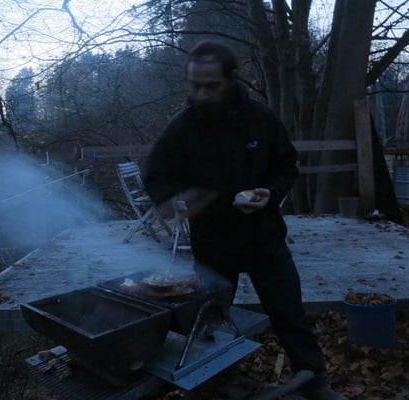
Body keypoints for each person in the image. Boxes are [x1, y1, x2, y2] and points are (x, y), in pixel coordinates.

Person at [144, 40, 346, 400]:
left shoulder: (260, 119)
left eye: (211, 85)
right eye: (194, 85)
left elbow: (286, 164)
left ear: (232, 79)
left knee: (289, 313)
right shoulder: (182, 128)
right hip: (212, 242)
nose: (201, 94)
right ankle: (218, 379)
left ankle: (314, 380)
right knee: (210, 318)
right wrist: (174, 199)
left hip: (263, 235)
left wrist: (269, 191)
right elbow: (156, 174)